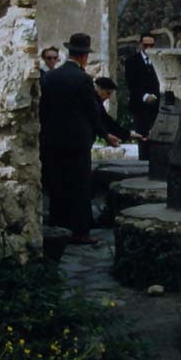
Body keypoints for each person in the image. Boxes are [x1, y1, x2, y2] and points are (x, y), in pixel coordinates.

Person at [40, 33, 120, 246]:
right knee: (80, 187)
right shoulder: (83, 79)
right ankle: (79, 232)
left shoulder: (49, 77)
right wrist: (105, 135)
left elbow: (43, 109)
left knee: (57, 186)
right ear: (84, 57)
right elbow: (92, 111)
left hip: (53, 141)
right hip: (77, 142)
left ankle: (58, 226)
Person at [124, 32, 160, 158]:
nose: (149, 48)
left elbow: (161, 81)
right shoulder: (131, 61)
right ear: (140, 45)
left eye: (151, 45)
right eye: (146, 45)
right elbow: (131, 83)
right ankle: (143, 161)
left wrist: (155, 96)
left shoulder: (159, 61)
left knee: (157, 136)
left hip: (156, 104)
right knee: (142, 135)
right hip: (139, 104)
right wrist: (144, 96)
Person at [93, 77, 138, 142]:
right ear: (99, 88)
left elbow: (107, 121)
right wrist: (127, 135)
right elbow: (106, 122)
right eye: (108, 93)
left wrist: (127, 134)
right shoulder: (93, 102)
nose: (108, 97)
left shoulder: (96, 101)